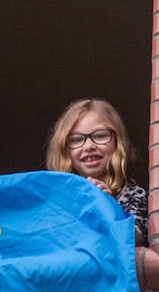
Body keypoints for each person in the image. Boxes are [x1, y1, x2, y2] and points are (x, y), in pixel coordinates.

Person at [45, 98, 147, 245]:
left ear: (117, 142)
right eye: (76, 139)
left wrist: (107, 207)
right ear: (65, 149)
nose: (88, 146)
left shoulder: (132, 195)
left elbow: (133, 240)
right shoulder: (57, 200)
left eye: (100, 136)